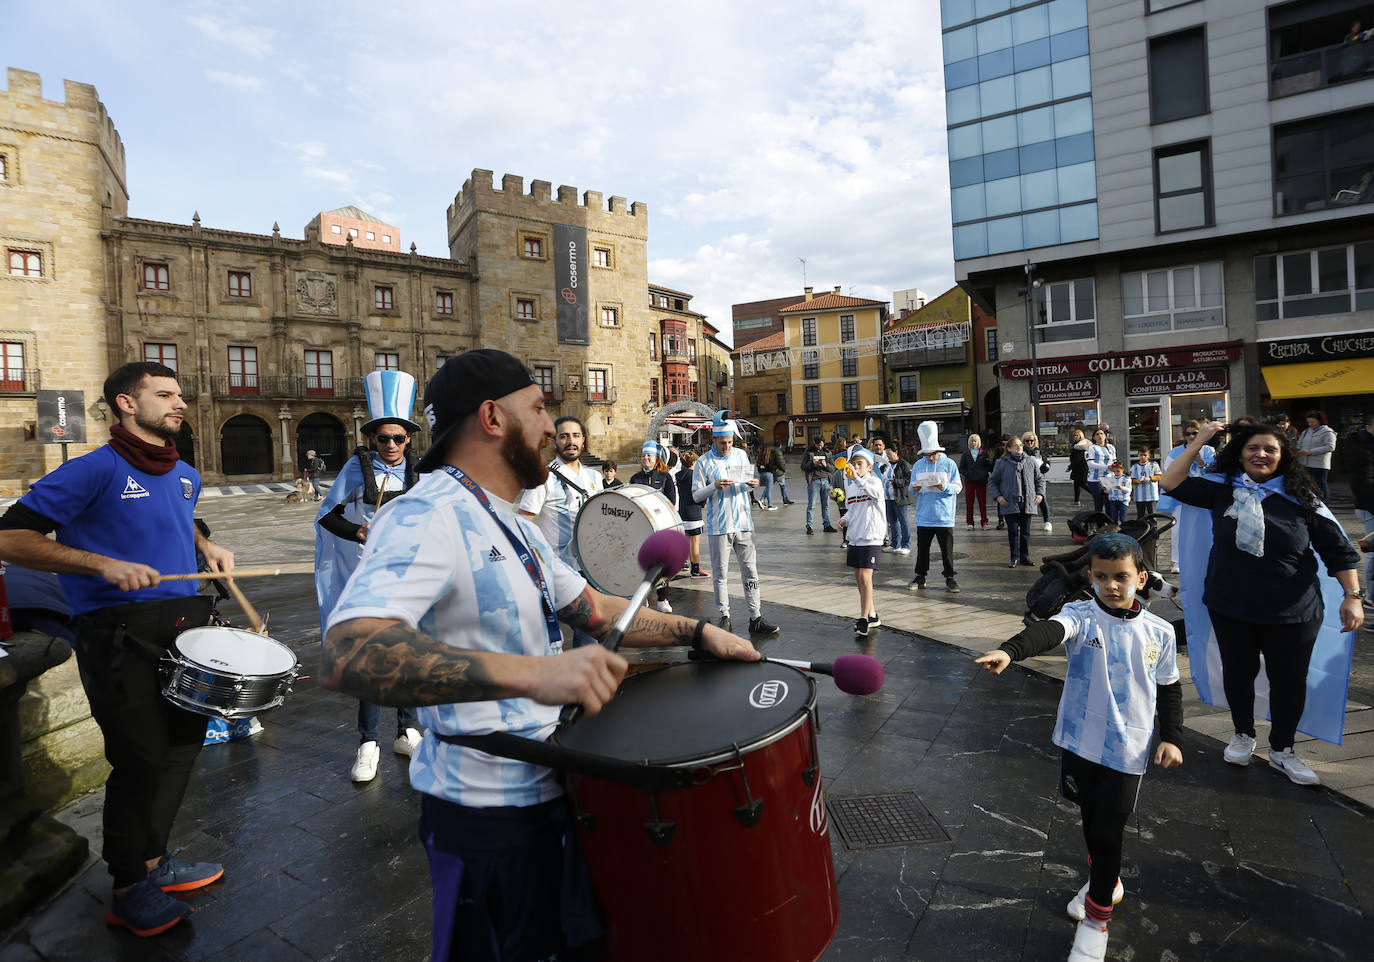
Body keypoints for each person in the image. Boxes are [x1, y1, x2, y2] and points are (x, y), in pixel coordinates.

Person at [318, 349, 760, 962]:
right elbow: (349, 651)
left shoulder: (513, 522)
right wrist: (541, 674)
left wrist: (697, 632)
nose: (553, 426)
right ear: (493, 418)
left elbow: (597, 611)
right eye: (540, 408)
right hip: (482, 820)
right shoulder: (425, 514)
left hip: (551, 790)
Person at [0, 361, 234, 936]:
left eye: (179, 394)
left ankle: (155, 862)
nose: (180, 403)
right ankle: (128, 886)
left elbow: (180, 517)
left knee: (183, 745)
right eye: (165, 394)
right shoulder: (92, 471)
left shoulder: (184, 472)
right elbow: (10, 536)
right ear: (127, 404)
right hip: (116, 629)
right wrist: (100, 563)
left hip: (181, 619)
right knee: (139, 757)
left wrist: (206, 545)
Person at [975, 533, 1183, 962]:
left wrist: (1173, 738)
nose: (1111, 585)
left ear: (1141, 578)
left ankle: (1096, 921)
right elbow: (1050, 631)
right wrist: (1012, 651)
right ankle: (1107, 879)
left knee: (1109, 831)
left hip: (1128, 750)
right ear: (1091, 576)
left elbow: (1170, 688)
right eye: (1102, 576)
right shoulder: (1081, 615)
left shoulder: (1159, 632)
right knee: (1091, 822)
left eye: (1121, 577)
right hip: (1080, 741)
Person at [1162, 421, 1364, 785]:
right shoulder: (1222, 490)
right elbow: (1170, 483)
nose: (1261, 455)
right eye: (1253, 448)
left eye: (1270, 449)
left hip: (1294, 610)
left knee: (1290, 681)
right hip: (1231, 606)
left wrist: (1353, 597)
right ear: (1239, 453)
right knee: (1238, 675)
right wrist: (1201, 441)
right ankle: (1243, 734)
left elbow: (1338, 550)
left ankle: (1283, 749)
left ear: (1283, 454)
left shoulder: (1301, 497)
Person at [315, 370, 424, 782]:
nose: (391, 445)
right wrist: (359, 530)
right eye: (383, 439)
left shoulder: (422, 472)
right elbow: (327, 514)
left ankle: (407, 730)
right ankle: (368, 743)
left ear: (410, 439)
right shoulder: (355, 470)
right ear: (372, 439)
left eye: (398, 438)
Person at [692, 411, 780, 635]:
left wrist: (752, 484)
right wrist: (714, 486)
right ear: (713, 440)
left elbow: (745, 485)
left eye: (730, 442)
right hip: (718, 525)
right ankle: (724, 616)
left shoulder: (741, 455)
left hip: (743, 522)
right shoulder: (703, 462)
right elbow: (695, 496)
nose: (726, 446)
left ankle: (756, 617)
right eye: (722, 442)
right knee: (720, 574)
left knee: (751, 570)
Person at [519, 416, 601, 570]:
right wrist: (541, 555)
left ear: (583, 439)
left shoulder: (594, 477)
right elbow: (523, 521)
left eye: (576, 435)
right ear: (554, 441)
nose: (571, 441)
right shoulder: (543, 477)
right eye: (564, 436)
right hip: (562, 568)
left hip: (593, 566)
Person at [908, 421, 963, 592]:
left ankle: (950, 577)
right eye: (927, 455)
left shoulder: (950, 464)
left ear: (939, 451)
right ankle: (920, 576)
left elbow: (958, 487)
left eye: (933, 455)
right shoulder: (918, 465)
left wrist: (945, 487)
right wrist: (914, 488)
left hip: (944, 516)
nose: (930, 458)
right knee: (922, 549)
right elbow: (911, 487)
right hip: (924, 516)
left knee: (946, 550)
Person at [838, 448, 885, 635]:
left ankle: (863, 618)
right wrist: (844, 520)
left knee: (866, 578)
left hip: (872, 536)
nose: (856, 467)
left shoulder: (875, 482)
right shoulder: (851, 488)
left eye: (860, 464)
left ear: (869, 467)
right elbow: (852, 510)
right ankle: (872, 614)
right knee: (859, 578)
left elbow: (874, 494)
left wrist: (857, 478)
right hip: (855, 537)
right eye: (854, 463)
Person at [1159, 421, 1216, 573]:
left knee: (1206, 527)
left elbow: (1214, 472)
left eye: (1194, 433)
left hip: (1204, 496)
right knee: (1178, 529)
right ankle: (1177, 561)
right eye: (1188, 433)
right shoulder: (1175, 452)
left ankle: (1207, 558)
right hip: (1182, 496)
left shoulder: (1209, 451)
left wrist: (1200, 461)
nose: (1191, 436)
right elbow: (1168, 473)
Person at [629, 440, 680, 613]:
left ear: (657, 458)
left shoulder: (665, 477)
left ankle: (662, 599)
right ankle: (642, 598)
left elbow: (671, 501)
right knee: (641, 565)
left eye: (648, 456)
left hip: (660, 527)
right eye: (643, 456)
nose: (645, 459)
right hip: (640, 528)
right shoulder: (635, 478)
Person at [988, 435, 1046, 568]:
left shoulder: (1031, 461)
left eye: (1020, 445)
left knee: (1025, 532)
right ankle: (1014, 557)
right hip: (1010, 502)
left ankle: (1025, 557)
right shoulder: (1001, 463)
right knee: (1013, 532)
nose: (1019, 447)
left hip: (1028, 502)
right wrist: (998, 497)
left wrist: (1040, 494)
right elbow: (992, 481)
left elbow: (1040, 479)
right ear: (1009, 448)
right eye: (1016, 445)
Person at [1345, 412, 1374, 612]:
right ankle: (1371, 598)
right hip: (1369, 505)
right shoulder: (1361, 449)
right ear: (1368, 427)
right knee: (1372, 551)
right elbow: (1363, 483)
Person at [676, 449, 708, 578]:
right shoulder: (694, 475)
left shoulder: (679, 475)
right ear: (694, 461)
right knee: (695, 542)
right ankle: (695, 569)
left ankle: (686, 564)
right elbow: (699, 492)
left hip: (682, 511)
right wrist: (703, 503)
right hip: (694, 511)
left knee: (687, 541)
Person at [1297, 410, 1337, 502]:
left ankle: (1325, 504)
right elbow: (1299, 444)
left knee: (1321, 484)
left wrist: (1311, 451)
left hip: (1320, 464)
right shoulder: (1306, 431)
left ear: (1320, 420)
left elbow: (1330, 447)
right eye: (1308, 422)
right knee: (1307, 484)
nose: (1310, 424)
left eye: (1312, 422)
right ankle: (1312, 503)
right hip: (1305, 463)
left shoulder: (1328, 432)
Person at [801, 436, 837, 536]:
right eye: (817, 445)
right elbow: (803, 466)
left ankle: (827, 525)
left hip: (826, 481)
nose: (819, 447)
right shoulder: (809, 452)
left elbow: (833, 468)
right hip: (814, 481)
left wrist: (826, 465)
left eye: (821, 445)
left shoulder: (828, 452)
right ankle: (809, 526)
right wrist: (813, 463)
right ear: (814, 443)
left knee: (826, 505)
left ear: (823, 443)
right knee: (811, 505)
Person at [883, 445, 912, 555]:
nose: (888, 456)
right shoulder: (886, 465)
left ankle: (906, 545)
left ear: (896, 452)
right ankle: (895, 544)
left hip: (899, 497)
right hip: (887, 497)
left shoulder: (903, 464)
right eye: (887, 454)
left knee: (903, 521)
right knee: (892, 522)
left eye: (889, 453)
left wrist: (896, 481)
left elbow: (908, 480)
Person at [959, 433, 992, 529]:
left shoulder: (984, 453)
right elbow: (961, 468)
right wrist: (968, 474)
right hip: (969, 481)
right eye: (972, 441)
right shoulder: (966, 454)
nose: (973, 443)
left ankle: (984, 522)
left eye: (975, 441)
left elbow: (987, 466)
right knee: (969, 503)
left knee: (982, 503)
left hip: (981, 481)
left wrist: (984, 474)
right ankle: (970, 523)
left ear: (979, 442)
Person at [1023, 431, 1053, 532]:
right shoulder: (1022, 451)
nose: (1030, 443)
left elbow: (1047, 463)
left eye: (1032, 440)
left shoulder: (1039, 451)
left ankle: (1047, 521)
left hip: (1038, 478)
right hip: (1026, 479)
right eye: (1027, 441)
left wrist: (1044, 465)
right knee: (1024, 501)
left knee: (1042, 500)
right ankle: (1022, 522)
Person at [1085, 428, 1116, 515]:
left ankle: (1110, 524)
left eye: (1101, 434)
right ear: (1094, 438)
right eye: (1097, 434)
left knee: (1109, 503)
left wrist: (1117, 469)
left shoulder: (1111, 447)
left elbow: (1114, 461)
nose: (1100, 436)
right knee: (1098, 503)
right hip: (1095, 480)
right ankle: (1099, 525)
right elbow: (1090, 463)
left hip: (1109, 479)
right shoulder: (1092, 448)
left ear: (1105, 436)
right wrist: (1107, 467)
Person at [1130, 448, 1161, 519]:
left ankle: (1153, 529)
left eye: (1145, 455)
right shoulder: (1134, 467)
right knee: (1141, 517)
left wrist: (1150, 478)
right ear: (1138, 455)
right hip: (1139, 496)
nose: (1143, 457)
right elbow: (1131, 479)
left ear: (1149, 455)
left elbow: (1159, 476)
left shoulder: (1154, 465)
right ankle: (1141, 529)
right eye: (1141, 455)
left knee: (1152, 516)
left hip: (1151, 496)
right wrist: (1137, 481)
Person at [1069, 428, 1090, 506]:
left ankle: (1096, 494)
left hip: (1081, 468)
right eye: (1074, 435)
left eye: (1076, 435)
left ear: (1080, 436)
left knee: (1082, 483)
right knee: (1076, 484)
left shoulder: (1080, 446)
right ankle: (1076, 500)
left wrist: (1070, 467)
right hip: (1077, 468)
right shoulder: (1075, 445)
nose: (1075, 437)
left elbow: (1077, 459)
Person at [755, 443, 780, 509]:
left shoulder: (760, 456)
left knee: (767, 488)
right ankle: (770, 505)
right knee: (769, 489)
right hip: (769, 474)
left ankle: (762, 500)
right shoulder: (769, 456)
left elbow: (758, 465)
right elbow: (771, 466)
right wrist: (776, 469)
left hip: (761, 474)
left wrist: (761, 471)